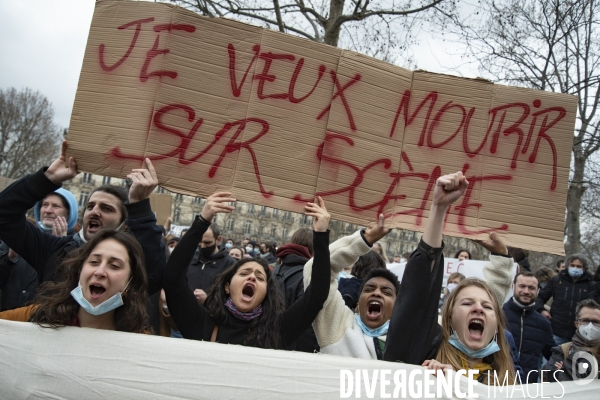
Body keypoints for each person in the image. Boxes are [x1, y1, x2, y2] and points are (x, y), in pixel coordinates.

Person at [383, 171, 516, 386]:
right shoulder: (422, 359)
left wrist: (501, 259)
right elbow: (417, 297)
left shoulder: (507, 385)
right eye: (467, 303)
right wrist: (438, 208)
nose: (479, 309)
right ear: (449, 319)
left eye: (487, 307)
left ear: (498, 327)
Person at [162, 193, 331, 349]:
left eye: (260, 277)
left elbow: (316, 297)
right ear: (227, 286)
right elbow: (172, 279)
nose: (251, 277)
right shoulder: (202, 323)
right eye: (244, 273)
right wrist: (202, 221)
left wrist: (321, 235)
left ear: (266, 293)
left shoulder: (276, 332)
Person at [0, 141, 165, 294]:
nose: (94, 212)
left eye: (106, 209)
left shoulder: (131, 261)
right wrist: (46, 179)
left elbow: (154, 276)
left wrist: (139, 206)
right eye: (90, 206)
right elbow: (4, 214)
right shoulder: (54, 250)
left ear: (124, 224)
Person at [0, 230, 150, 333]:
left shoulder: (140, 341)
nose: (99, 272)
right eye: (94, 262)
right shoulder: (36, 316)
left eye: (114, 266)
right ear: (80, 271)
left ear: (130, 283)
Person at [301, 213, 395, 360]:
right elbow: (314, 270)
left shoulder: (406, 341)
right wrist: (365, 239)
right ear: (357, 305)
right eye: (369, 289)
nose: (377, 293)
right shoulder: (339, 328)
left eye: (386, 292)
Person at [502, 272, 556, 383]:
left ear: (538, 291)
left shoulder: (543, 324)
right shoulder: (498, 315)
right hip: (498, 382)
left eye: (531, 288)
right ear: (513, 286)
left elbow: (553, 354)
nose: (526, 291)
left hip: (528, 386)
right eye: (522, 286)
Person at [535, 253, 596, 345]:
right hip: (556, 332)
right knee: (551, 358)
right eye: (572, 265)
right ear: (568, 266)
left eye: (579, 266)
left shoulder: (591, 283)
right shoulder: (557, 280)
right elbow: (539, 297)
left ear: (584, 268)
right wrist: (541, 310)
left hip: (580, 335)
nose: (575, 268)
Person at [273, 227, 317, 353]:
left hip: (270, 340)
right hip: (295, 350)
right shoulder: (308, 276)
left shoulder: (276, 270)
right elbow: (306, 320)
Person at [542, 299, 600, 382]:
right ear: (577, 324)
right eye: (585, 321)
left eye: (596, 322)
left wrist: (567, 370)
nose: (590, 326)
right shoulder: (564, 351)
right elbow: (551, 377)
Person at [184, 222, 236, 308]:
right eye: (200, 242)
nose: (203, 246)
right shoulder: (189, 258)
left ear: (218, 239)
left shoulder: (230, 264)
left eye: (207, 243)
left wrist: (208, 300)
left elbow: (232, 296)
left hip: (212, 315)